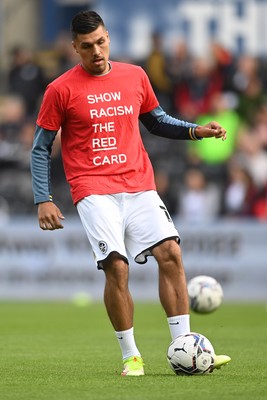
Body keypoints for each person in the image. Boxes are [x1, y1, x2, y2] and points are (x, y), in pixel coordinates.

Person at [31, 10, 230, 376]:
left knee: (170, 252)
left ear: (109, 38)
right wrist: (43, 197)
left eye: (101, 42)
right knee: (117, 267)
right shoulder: (59, 89)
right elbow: (41, 147)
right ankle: (131, 356)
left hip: (138, 183)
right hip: (93, 188)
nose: (96, 51)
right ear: (75, 47)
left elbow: (156, 121)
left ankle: (184, 346)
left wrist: (196, 131)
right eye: (87, 46)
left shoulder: (135, 75)